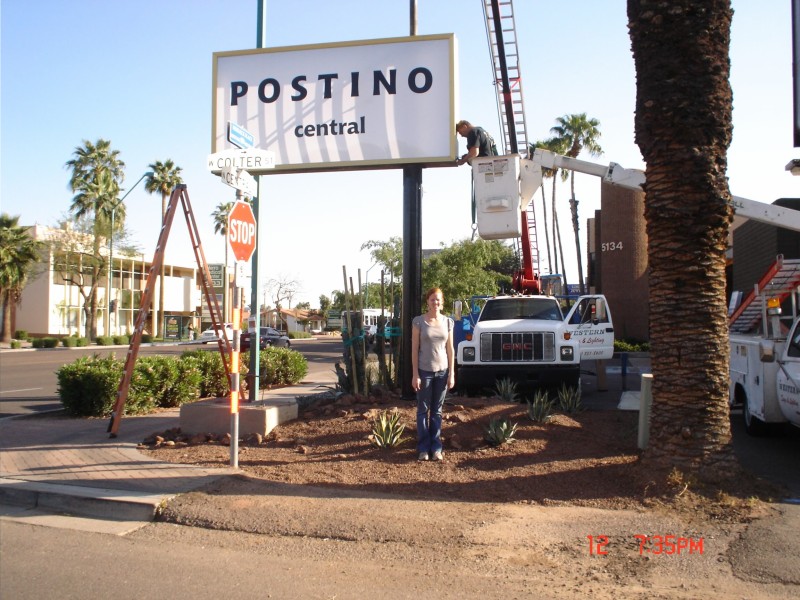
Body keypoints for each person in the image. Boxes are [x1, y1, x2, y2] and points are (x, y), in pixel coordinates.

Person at [411, 287, 456, 462]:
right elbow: (414, 350)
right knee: (423, 410)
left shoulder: (448, 322)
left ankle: (436, 448)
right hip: (424, 371)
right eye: (432, 299)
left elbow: (450, 349)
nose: (435, 303)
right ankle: (423, 448)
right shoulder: (418, 322)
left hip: (442, 372)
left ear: (442, 302)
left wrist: (452, 373)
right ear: (427, 302)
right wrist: (415, 374)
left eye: (438, 300)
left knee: (437, 411)